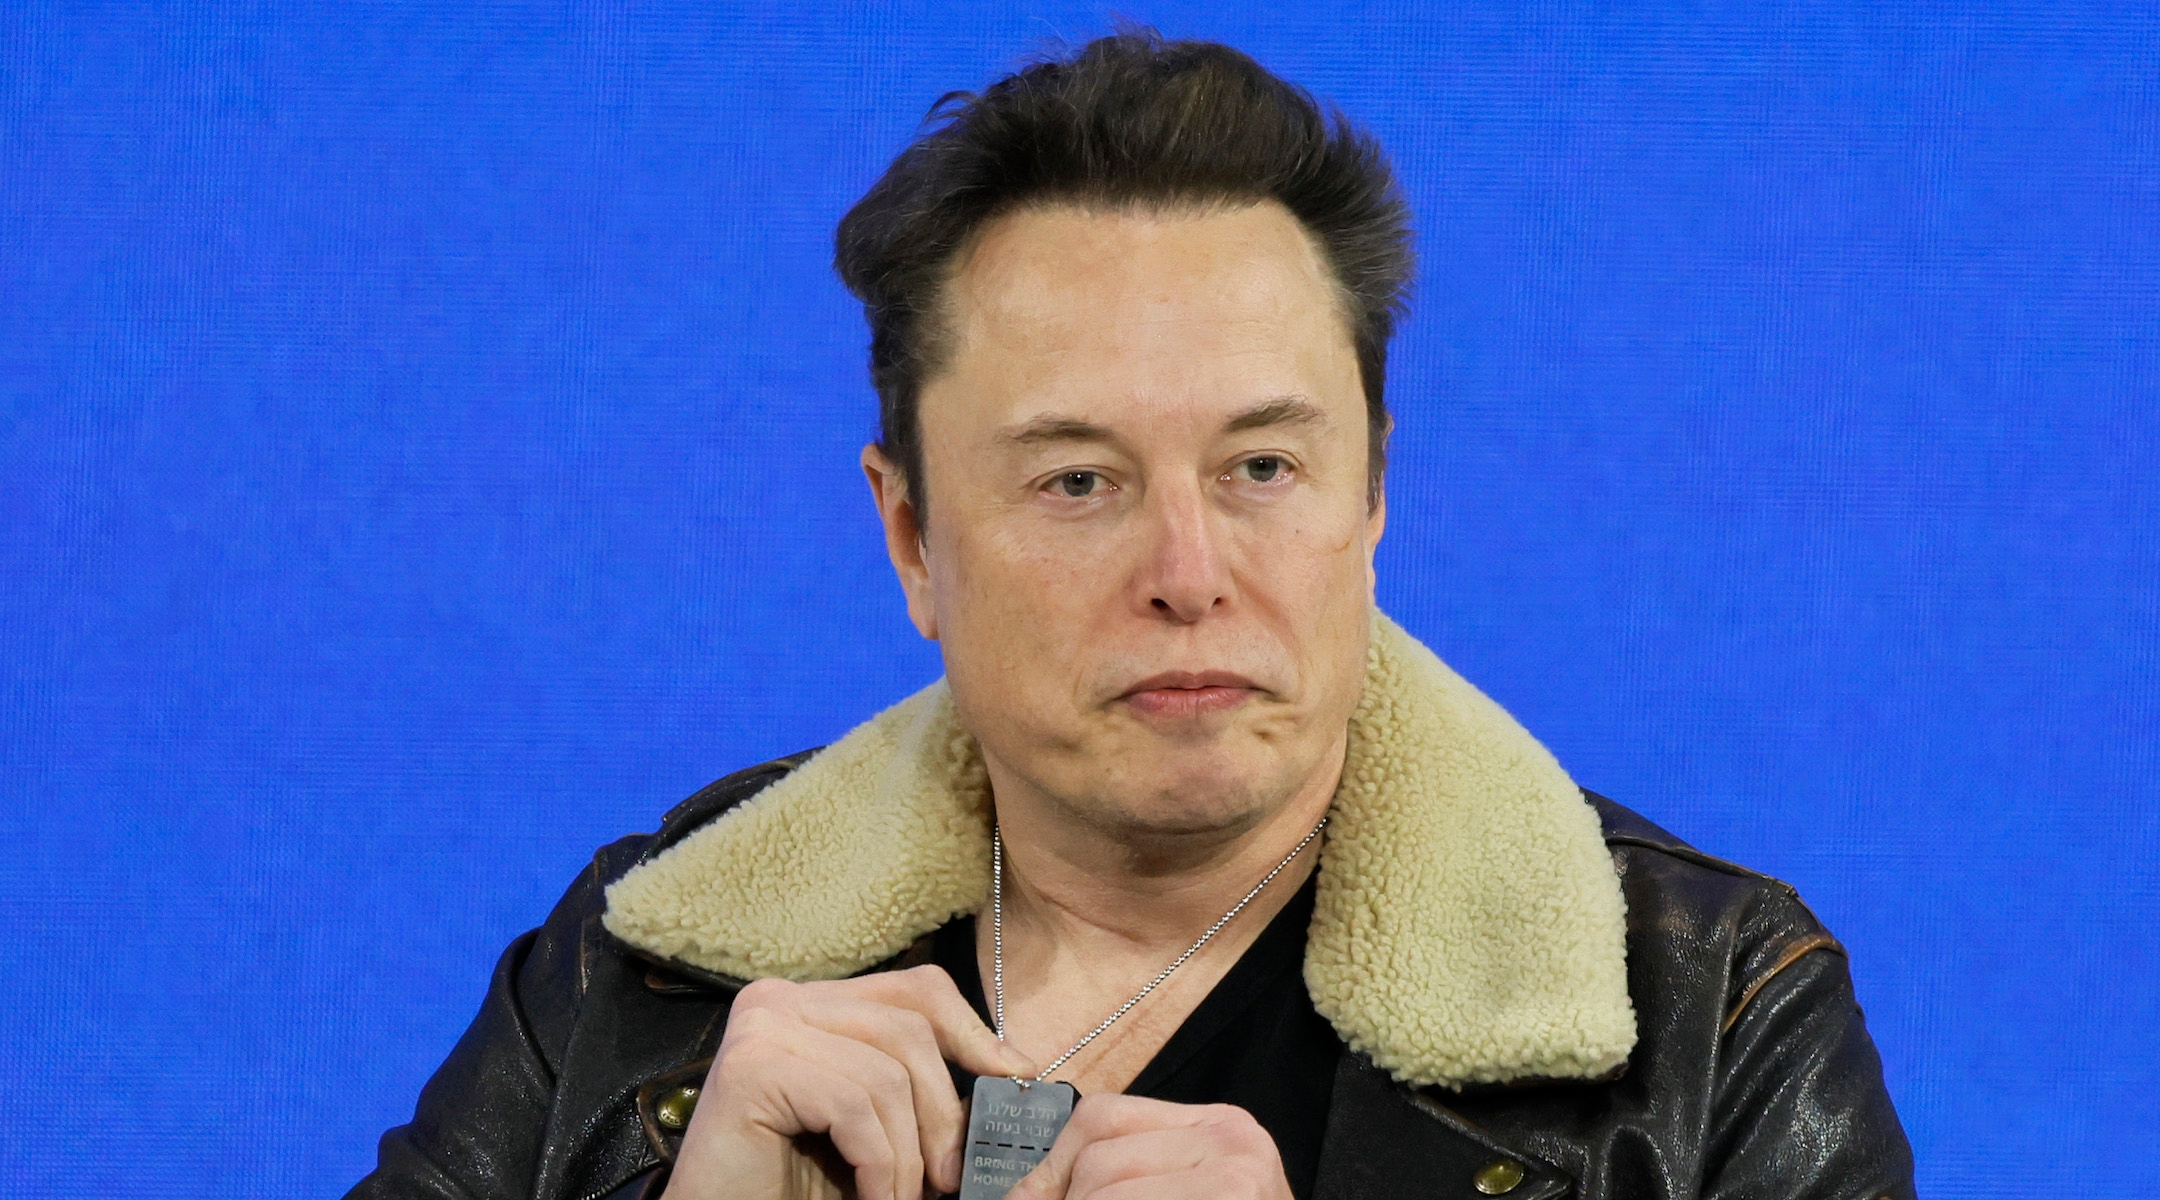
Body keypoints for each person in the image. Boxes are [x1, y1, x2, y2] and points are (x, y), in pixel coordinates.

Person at [350, 31, 1914, 1200]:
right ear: (909, 535)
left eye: (1261, 466)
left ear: (1373, 497)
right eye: (1079, 483)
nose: (1188, 569)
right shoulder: (645, 972)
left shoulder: (1713, 1014)